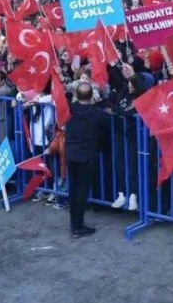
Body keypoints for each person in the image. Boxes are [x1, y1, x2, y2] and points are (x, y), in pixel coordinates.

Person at [64, 81, 108, 238]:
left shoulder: (70, 109)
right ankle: (77, 225)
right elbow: (106, 122)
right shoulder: (97, 113)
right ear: (91, 96)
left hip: (71, 154)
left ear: (76, 95)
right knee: (81, 191)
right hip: (86, 157)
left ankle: (73, 222)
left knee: (73, 189)